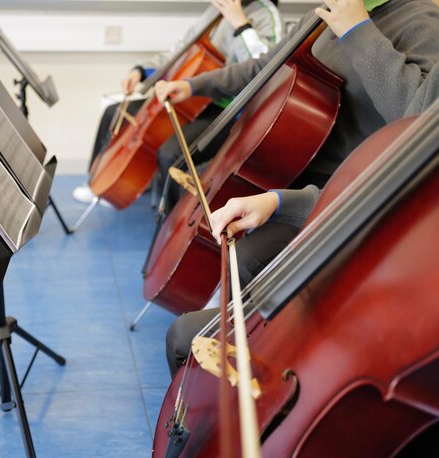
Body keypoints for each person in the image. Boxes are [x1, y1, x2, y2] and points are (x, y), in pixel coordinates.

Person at [162, 0, 439, 377]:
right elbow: (265, 66)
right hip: (291, 179)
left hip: (345, 198)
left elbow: (417, 124)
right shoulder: (324, 12)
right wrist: (194, 85)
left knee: (245, 261)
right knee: (229, 243)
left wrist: (359, 31)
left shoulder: (421, 22)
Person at [72, 0, 283, 205]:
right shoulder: (214, 9)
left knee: (171, 154)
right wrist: (141, 69)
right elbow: (181, 50)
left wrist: (240, 24)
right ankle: (96, 183)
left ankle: (170, 219)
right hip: (188, 95)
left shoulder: (265, 12)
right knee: (115, 111)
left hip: (224, 108)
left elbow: (263, 67)